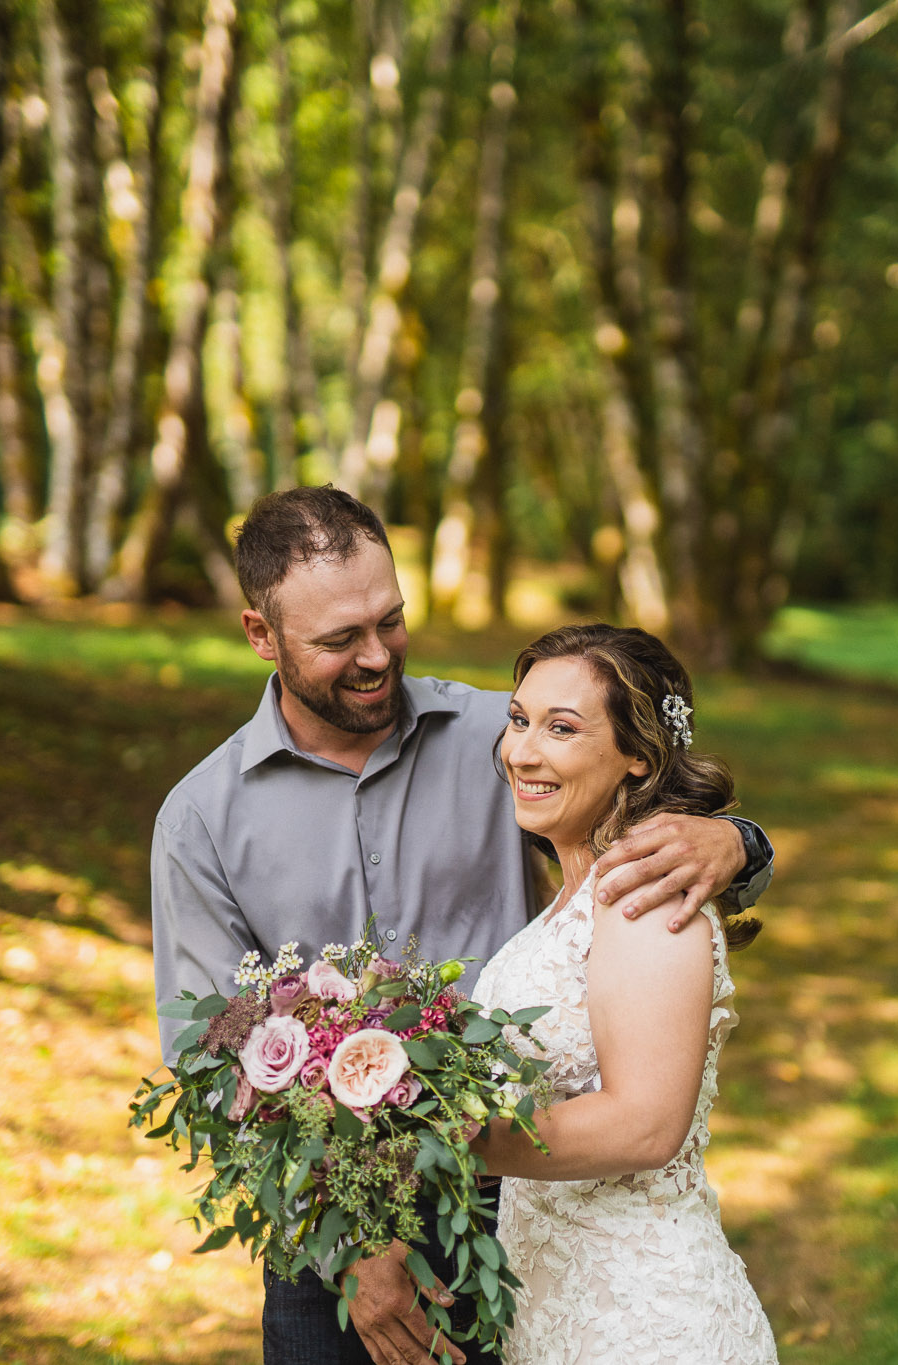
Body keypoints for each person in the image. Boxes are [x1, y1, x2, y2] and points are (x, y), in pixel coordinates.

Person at [150, 486, 777, 1365]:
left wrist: (737, 841)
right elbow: (210, 1061)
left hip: (518, 1204)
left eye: (391, 620)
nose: (377, 656)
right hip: (329, 1246)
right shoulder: (201, 821)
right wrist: (352, 1239)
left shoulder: (507, 735)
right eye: (340, 639)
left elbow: (633, 798)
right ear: (262, 634)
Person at [468, 624, 776, 1365]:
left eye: (562, 728)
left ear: (638, 753)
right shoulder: (579, 893)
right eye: (519, 720)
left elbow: (646, 1124)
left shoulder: (644, 894)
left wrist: (451, 1143)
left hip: (640, 1322)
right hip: (561, 1312)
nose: (522, 752)